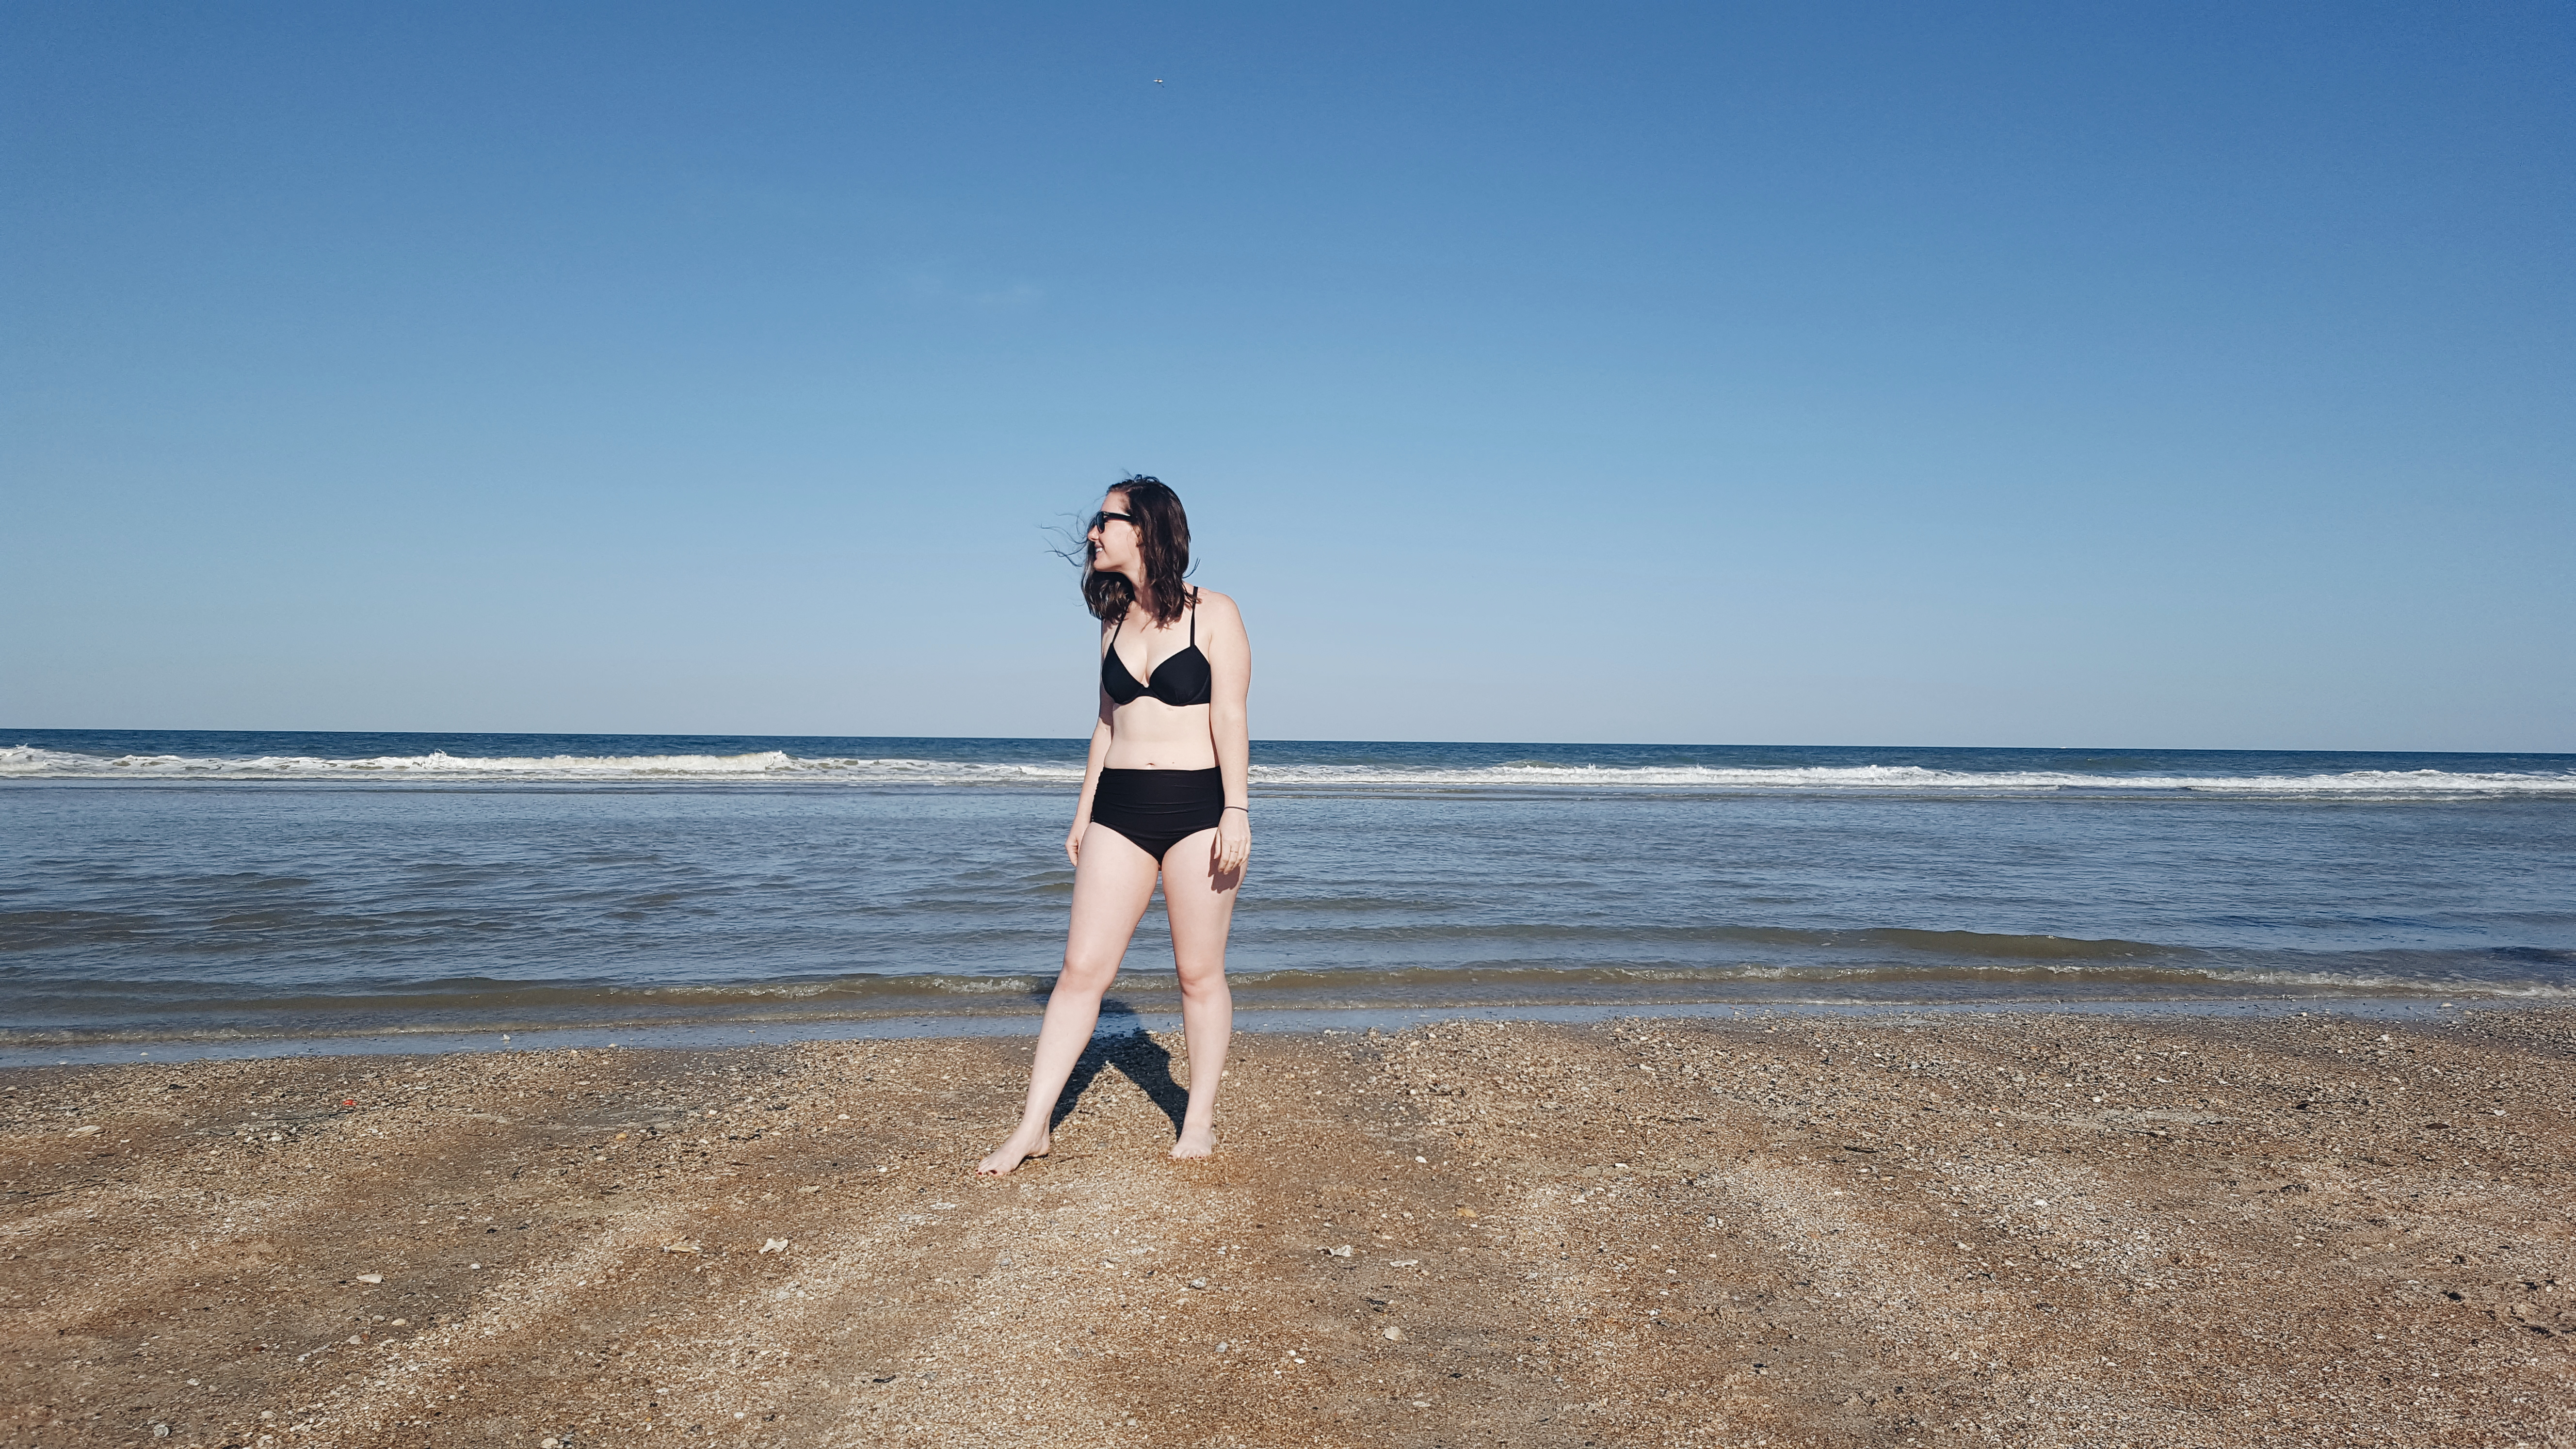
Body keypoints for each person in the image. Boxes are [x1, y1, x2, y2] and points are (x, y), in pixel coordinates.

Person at [977, 477, 1252, 1173]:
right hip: (1119, 810)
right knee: (1080, 972)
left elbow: (1230, 719)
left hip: (1198, 808)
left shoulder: (1215, 613)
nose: (1093, 531)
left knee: (1198, 974)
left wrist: (1237, 810)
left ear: (1148, 528)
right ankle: (1033, 1124)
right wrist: (1083, 811)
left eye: (1107, 518)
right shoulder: (1112, 620)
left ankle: (1199, 1118)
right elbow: (1106, 724)